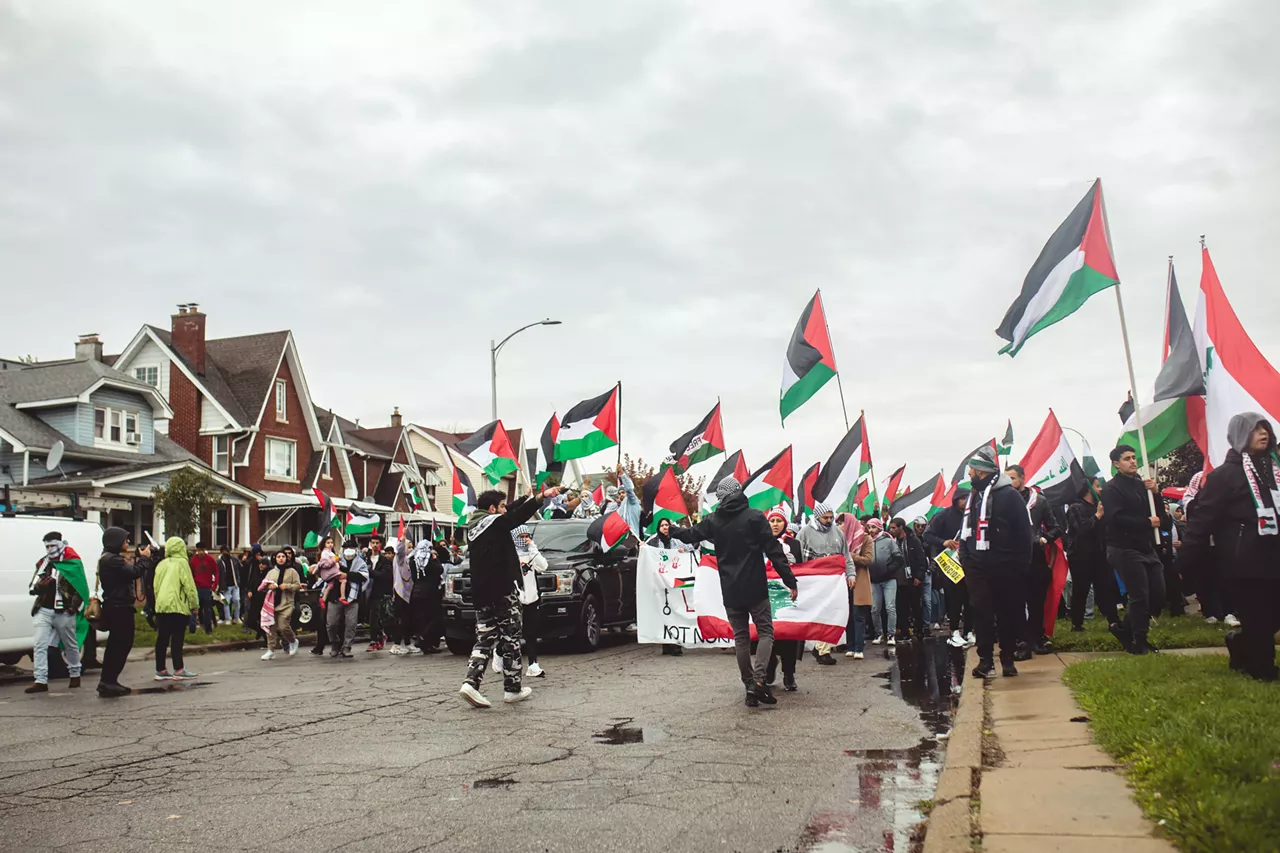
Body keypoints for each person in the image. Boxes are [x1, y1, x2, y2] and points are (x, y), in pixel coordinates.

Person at [668, 477, 798, 708]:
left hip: (730, 589)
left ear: (721, 498)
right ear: (739, 492)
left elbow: (691, 535)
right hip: (756, 587)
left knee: (741, 638)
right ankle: (759, 681)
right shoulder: (755, 517)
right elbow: (774, 551)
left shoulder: (714, 520)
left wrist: (673, 530)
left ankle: (749, 685)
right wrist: (790, 581)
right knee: (766, 632)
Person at [1180, 413, 1280, 680]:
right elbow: (1202, 518)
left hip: (1274, 555)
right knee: (1257, 616)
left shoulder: (1275, 471)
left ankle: (1239, 642)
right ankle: (1261, 668)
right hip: (1243, 561)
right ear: (1239, 436)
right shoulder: (1225, 476)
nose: (1263, 433)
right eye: (1255, 429)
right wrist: (1187, 559)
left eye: (1265, 428)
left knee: (1270, 617)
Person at [459, 486, 563, 708]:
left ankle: (471, 683)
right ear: (492, 508)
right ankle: (512, 688)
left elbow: (509, 512)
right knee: (511, 638)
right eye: (502, 506)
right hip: (502, 592)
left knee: (484, 639)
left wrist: (524, 497)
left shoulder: (476, 525)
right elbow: (516, 516)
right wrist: (540, 498)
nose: (505, 509)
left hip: (482, 594)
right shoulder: (495, 524)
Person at [959, 445, 1033, 678]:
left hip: (1007, 567)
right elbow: (966, 530)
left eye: (971, 470)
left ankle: (1008, 658)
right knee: (981, 612)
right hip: (977, 567)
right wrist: (966, 558)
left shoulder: (1009, 496)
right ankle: (985, 661)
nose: (969, 475)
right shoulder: (974, 496)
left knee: (1007, 613)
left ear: (981, 472)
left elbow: (1024, 534)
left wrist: (1021, 567)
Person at [1102, 445, 1169, 656]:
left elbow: (1160, 517)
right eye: (1127, 458)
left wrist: (1156, 494)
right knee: (1139, 595)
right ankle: (1139, 640)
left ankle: (1124, 630)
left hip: (1146, 547)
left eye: (1134, 457)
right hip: (1123, 548)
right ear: (1116, 464)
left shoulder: (1142, 485)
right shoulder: (1112, 489)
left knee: (1157, 594)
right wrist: (1146, 523)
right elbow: (1115, 519)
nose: (1132, 461)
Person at [1005, 466, 1063, 657]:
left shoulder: (1039, 501)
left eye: (1012, 478)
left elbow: (1055, 528)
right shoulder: (1002, 501)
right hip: (1012, 557)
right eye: (1006, 479)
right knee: (1016, 601)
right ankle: (1022, 641)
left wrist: (1044, 538)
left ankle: (1037, 638)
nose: (1009, 482)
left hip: (1036, 556)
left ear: (1022, 478)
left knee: (1037, 601)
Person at [25, 531, 86, 694]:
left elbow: (80, 587)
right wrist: (41, 586)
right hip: (43, 608)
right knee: (39, 643)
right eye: (47, 546)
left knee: (70, 643)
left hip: (64, 610)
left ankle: (75, 673)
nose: (50, 549)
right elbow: (32, 587)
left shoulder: (72, 562)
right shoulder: (43, 563)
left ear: (60, 544)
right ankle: (40, 680)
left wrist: (73, 607)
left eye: (53, 545)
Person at [798, 501, 855, 665]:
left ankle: (823, 649)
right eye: (826, 518)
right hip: (813, 580)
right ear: (817, 517)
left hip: (834, 581)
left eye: (831, 517)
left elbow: (846, 557)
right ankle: (817, 646)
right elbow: (797, 557)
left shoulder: (837, 532)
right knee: (818, 612)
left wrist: (851, 575)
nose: (829, 520)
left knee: (832, 612)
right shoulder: (804, 533)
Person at [1065, 477, 1122, 636]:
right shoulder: (1075, 507)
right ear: (1088, 489)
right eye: (1097, 486)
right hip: (1080, 555)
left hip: (1100, 553)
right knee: (1081, 589)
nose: (1101, 489)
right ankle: (1077, 623)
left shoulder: (1101, 506)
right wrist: (1097, 516)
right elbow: (1081, 529)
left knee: (1106, 587)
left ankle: (1113, 620)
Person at [91, 527, 143, 696]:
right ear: (115, 541)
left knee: (116, 645)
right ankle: (108, 681)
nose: (128, 542)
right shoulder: (112, 560)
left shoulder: (107, 558)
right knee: (120, 644)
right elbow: (135, 572)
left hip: (116, 606)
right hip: (119, 607)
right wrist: (145, 560)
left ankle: (109, 681)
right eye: (125, 539)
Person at [924, 489, 974, 648]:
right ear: (956, 500)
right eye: (963, 498)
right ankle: (954, 632)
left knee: (970, 598)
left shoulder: (972, 515)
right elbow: (927, 535)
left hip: (969, 562)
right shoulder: (943, 516)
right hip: (949, 563)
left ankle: (969, 631)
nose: (966, 501)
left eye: (968, 498)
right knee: (954, 598)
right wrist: (943, 542)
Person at [763, 508, 802, 688]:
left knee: (788, 635)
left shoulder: (794, 544)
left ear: (785, 523)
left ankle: (789, 675)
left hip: (787, 595)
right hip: (766, 594)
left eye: (779, 521)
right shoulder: (760, 542)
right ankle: (769, 669)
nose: (775, 524)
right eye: (772, 521)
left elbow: (803, 569)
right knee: (766, 634)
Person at [645, 517, 694, 657]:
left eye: (667, 525)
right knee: (664, 613)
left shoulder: (677, 539)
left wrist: (682, 552)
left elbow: (691, 550)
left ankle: (676, 645)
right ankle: (666, 644)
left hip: (676, 582)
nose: (665, 527)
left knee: (675, 612)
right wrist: (643, 548)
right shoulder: (653, 541)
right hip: (660, 583)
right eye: (662, 525)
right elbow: (646, 554)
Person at [153, 536, 199, 682]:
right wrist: (194, 605)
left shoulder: (161, 564)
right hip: (178, 605)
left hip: (161, 605)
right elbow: (189, 586)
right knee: (177, 638)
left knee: (162, 638)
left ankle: (160, 669)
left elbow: (156, 585)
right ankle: (178, 669)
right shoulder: (182, 564)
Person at [513, 526, 548, 678]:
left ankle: (533, 664)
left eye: (527, 536)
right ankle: (501, 654)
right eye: (522, 536)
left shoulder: (531, 553)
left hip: (531, 597)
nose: (525, 539)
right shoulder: (510, 555)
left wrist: (532, 547)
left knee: (531, 632)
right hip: (515, 597)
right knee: (512, 631)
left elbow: (543, 566)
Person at [840, 513, 875, 660]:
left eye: (842, 522)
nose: (840, 525)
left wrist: (851, 557)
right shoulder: (841, 539)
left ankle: (859, 648)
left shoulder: (866, 539)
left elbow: (869, 560)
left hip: (859, 580)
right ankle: (850, 646)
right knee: (847, 616)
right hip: (844, 580)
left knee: (858, 615)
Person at [326, 541, 368, 658]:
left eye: (352, 548)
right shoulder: (335, 560)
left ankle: (347, 647)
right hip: (335, 596)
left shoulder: (361, 563)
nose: (349, 550)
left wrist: (348, 575)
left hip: (353, 598)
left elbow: (364, 577)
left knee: (351, 624)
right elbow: (326, 572)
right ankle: (335, 644)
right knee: (331, 624)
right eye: (347, 548)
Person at [889, 517, 929, 640]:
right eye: (890, 528)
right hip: (899, 579)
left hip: (912, 579)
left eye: (894, 528)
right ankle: (904, 631)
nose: (891, 530)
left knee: (916, 605)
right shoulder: (891, 541)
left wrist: (919, 576)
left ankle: (920, 629)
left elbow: (921, 559)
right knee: (901, 607)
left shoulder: (912, 540)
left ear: (901, 527)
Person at [865, 518, 903, 646]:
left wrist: (888, 570)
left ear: (879, 528)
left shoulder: (889, 541)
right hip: (874, 581)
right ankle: (879, 633)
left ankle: (891, 634)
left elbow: (898, 558)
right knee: (875, 609)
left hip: (889, 580)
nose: (871, 530)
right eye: (869, 527)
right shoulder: (866, 542)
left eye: (873, 527)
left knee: (890, 607)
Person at [259, 550, 301, 660]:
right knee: (270, 627)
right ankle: (271, 650)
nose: (281, 558)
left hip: (286, 603)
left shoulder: (292, 571)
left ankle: (293, 640)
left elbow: (297, 585)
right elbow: (263, 586)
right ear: (275, 559)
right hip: (272, 604)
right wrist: (269, 587)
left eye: (283, 556)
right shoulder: (271, 572)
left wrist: (287, 586)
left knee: (283, 626)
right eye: (279, 556)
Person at [912, 517, 939, 630]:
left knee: (927, 600)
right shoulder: (911, 539)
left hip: (927, 573)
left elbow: (934, 556)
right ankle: (916, 623)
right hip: (914, 574)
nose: (920, 528)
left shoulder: (928, 539)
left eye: (923, 526)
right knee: (914, 599)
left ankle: (926, 624)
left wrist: (931, 568)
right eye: (918, 526)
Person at [366, 541, 394, 650]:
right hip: (367, 592)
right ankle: (377, 637)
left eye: (377, 543)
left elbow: (386, 576)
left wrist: (371, 572)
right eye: (373, 543)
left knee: (377, 617)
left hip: (379, 592)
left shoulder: (385, 561)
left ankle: (375, 639)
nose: (375, 545)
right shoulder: (366, 559)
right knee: (371, 617)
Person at [188, 542, 219, 634]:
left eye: (202, 550)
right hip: (196, 587)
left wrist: (214, 586)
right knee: (194, 608)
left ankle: (208, 629)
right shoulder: (193, 560)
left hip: (207, 588)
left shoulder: (210, 559)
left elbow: (216, 573)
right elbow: (191, 574)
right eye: (199, 550)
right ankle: (192, 629)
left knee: (207, 610)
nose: (201, 552)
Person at [217, 545, 243, 625]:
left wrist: (239, 581)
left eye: (227, 551)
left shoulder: (234, 560)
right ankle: (227, 618)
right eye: (224, 551)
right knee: (226, 602)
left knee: (237, 600)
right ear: (221, 552)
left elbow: (240, 569)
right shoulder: (218, 562)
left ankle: (236, 617)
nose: (226, 553)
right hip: (224, 586)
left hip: (235, 585)